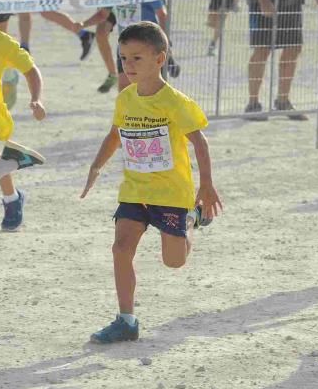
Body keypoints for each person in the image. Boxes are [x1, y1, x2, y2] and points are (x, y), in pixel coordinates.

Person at [81, 21, 222, 343]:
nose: (128, 66)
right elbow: (115, 135)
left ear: (160, 59)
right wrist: (95, 167)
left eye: (136, 58)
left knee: (174, 262)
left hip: (171, 193)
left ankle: (191, 219)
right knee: (120, 248)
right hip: (134, 189)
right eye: (124, 58)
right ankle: (126, 320)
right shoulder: (125, 99)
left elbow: (199, 142)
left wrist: (206, 186)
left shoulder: (175, 102)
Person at [0, 0, 48, 231]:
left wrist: (36, 99)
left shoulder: (2, 43)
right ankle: (12, 197)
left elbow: (31, 71)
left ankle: (10, 165)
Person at [80, 0, 172, 93]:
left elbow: (162, 15)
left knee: (149, 91)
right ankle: (126, 116)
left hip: (147, 47)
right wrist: (83, 23)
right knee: (124, 89)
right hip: (125, 47)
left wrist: (164, 42)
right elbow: (103, 14)